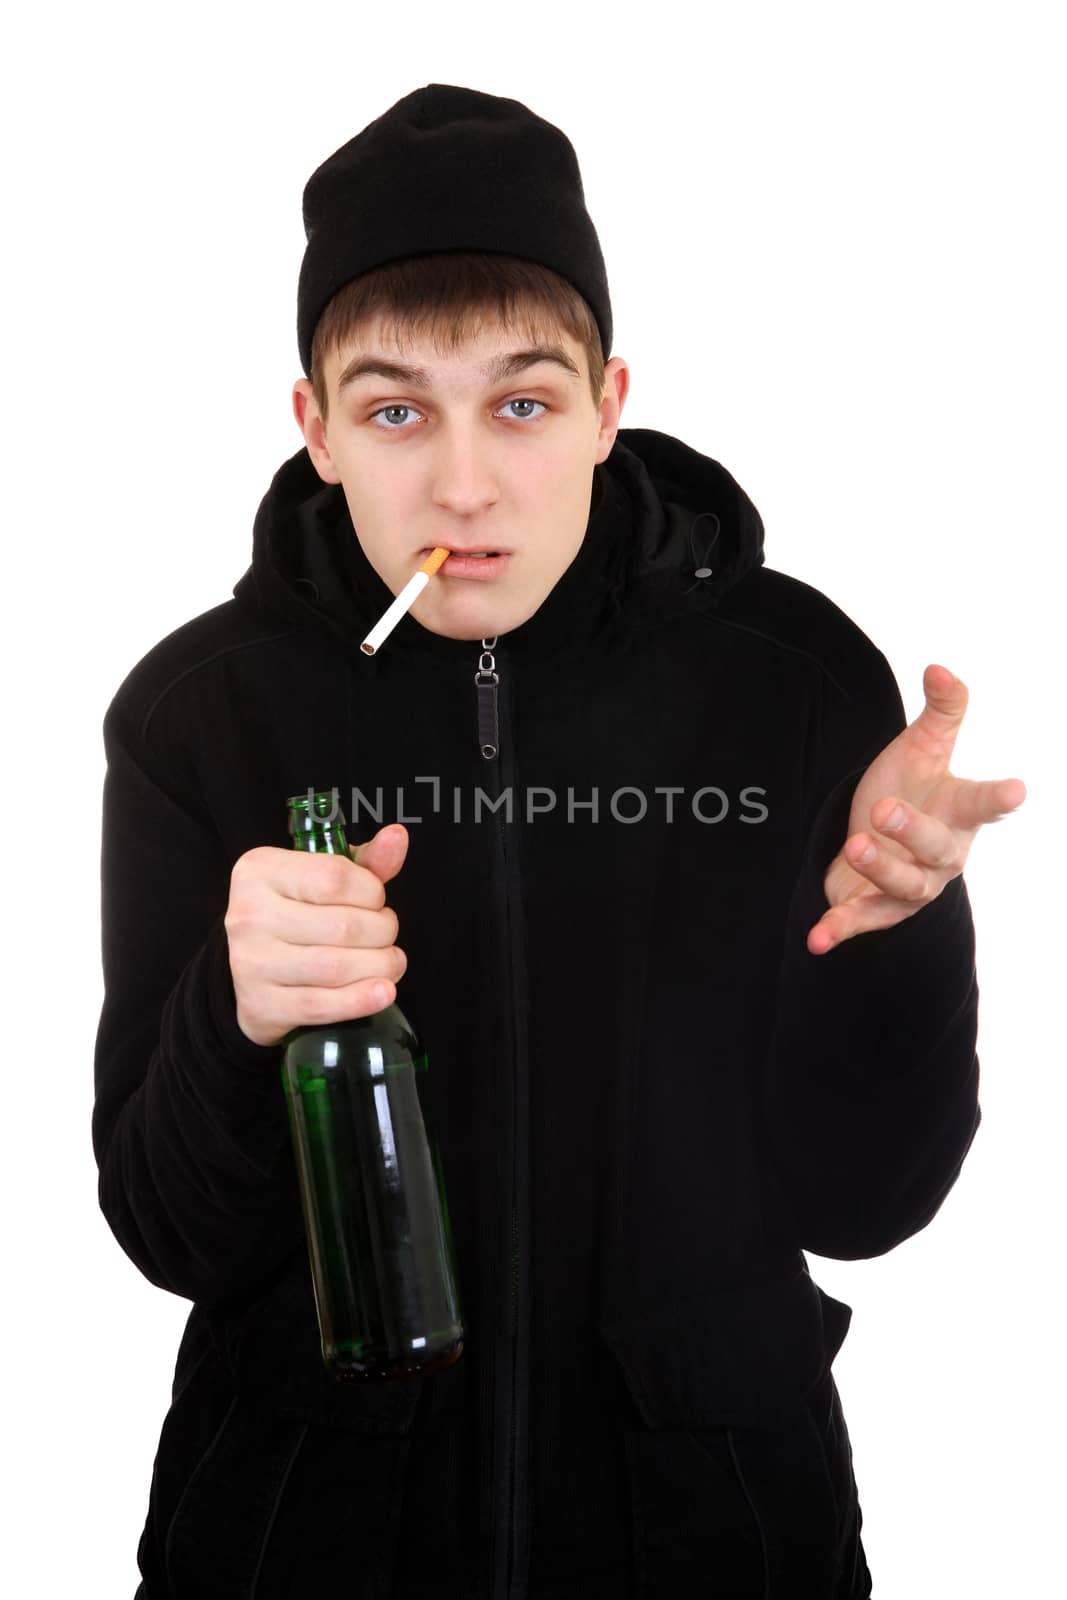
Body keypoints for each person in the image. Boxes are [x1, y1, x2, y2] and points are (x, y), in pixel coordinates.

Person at [93, 83, 1025, 1600]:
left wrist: (895, 924)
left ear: (609, 403)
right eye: (397, 410)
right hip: (303, 1541)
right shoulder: (203, 717)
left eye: (522, 403)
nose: (464, 486)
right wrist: (235, 1011)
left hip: (713, 1532)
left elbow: (871, 1205)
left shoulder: (793, 685)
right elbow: (169, 1234)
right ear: (316, 427)